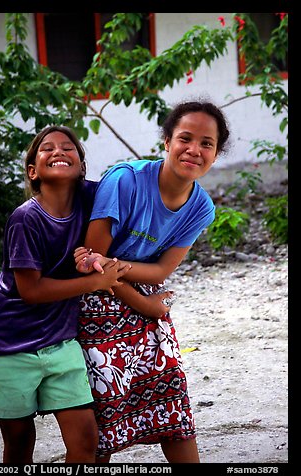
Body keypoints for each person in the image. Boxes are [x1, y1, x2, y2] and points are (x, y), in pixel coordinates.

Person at [74, 99, 230, 463]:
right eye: (185, 139)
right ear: (167, 142)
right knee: (105, 408)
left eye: (206, 144)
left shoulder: (201, 207)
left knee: (172, 394)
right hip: (92, 299)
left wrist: (129, 281)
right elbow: (94, 265)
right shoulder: (125, 180)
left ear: (216, 153)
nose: (194, 150)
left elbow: (160, 271)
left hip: (137, 289)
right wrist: (146, 304)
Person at [0, 125, 131, 464]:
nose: (58, 151)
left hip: (61, 341)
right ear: (33, 171)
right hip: (9, 343)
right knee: (19, 443)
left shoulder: (92, 200)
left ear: (81, 166)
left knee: (85, 441)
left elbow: (132, 189)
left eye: (68, 147)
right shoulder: (26, 218)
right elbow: (31, 290)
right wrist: (93, 283)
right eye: (47, 148)